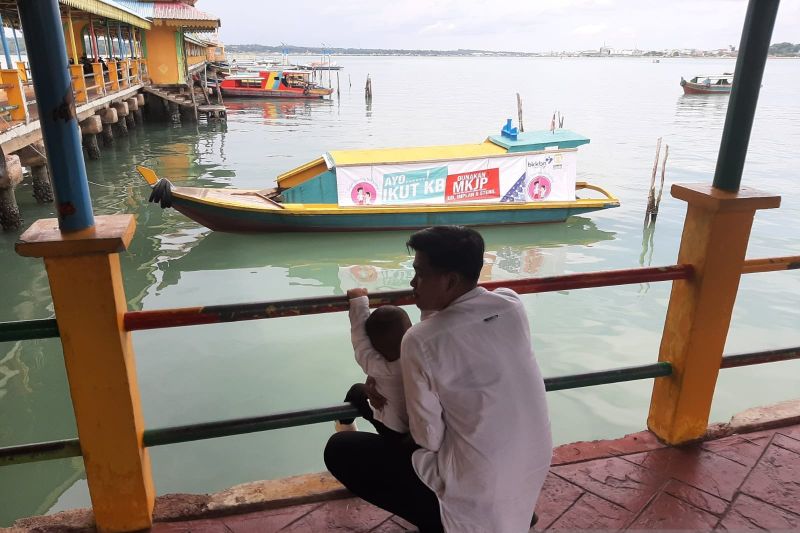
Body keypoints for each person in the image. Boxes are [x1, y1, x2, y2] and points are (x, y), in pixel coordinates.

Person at [325, 225, 552, 533]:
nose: (412, 282)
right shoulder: (511, 305)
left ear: (450, 280)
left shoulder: (420, 340)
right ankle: (518, 513)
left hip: (473, 500)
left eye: (420, 273)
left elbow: (426, 438)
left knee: (341, 449)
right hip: (531, 468)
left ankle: (437, 523)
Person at [336, 288, 411, 440]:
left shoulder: (373, 364)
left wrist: (359, 300)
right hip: (418, 429)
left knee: (356, 391)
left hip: (392, 429)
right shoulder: (422, 356)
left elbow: (360, 337)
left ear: (374, 345)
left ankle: (344, 426)